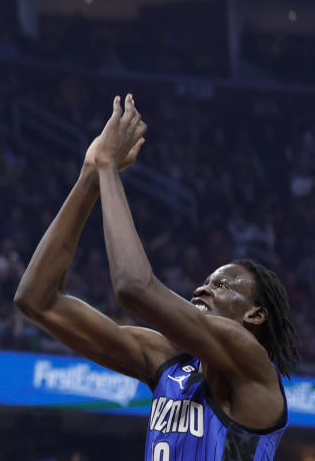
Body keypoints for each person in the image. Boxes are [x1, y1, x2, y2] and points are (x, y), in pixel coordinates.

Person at [15, 94, 300, 460]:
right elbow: (36, 300)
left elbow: (134, 288)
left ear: (255, 315)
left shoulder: (251, 364)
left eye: (222, 285)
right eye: (206, 281)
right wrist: (88, 176)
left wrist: (107, 171)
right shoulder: (169, 361)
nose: (202, 288)